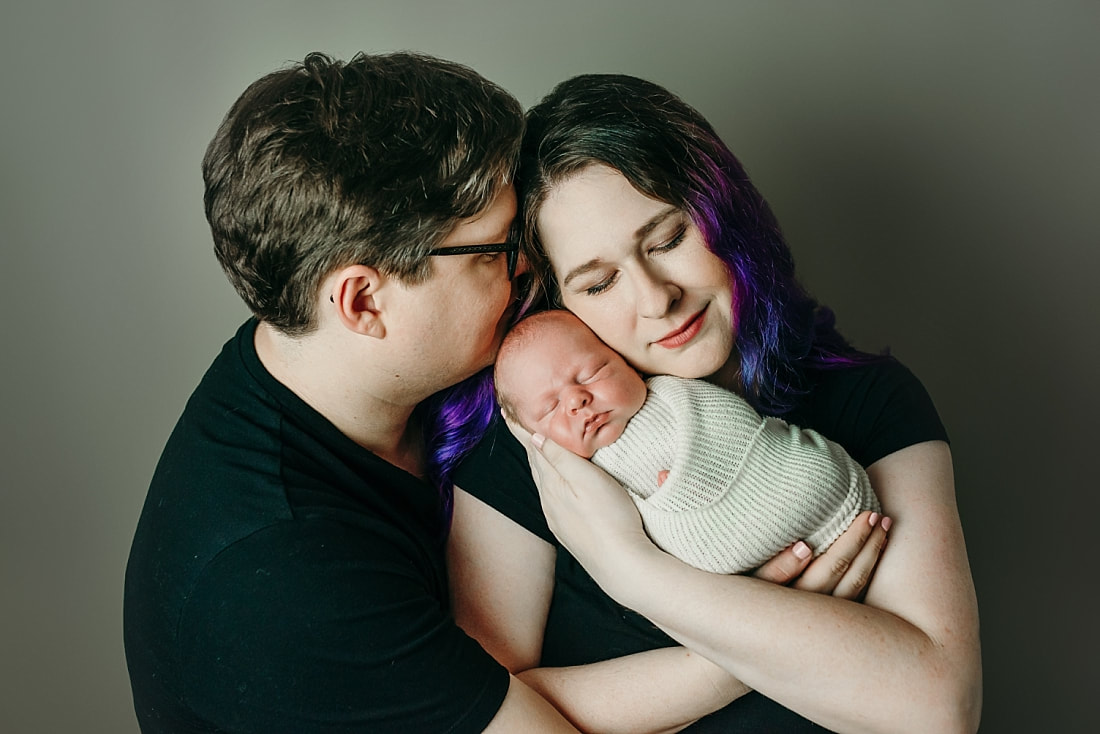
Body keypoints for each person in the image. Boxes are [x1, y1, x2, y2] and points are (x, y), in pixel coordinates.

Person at [449, 74, 982, 733]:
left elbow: (936, 708)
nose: (654, 298)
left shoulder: (870, 403)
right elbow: (482, 707)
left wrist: (637, 574)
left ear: (725, 212)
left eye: (668, 239)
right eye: (599, 281)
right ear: (561, 303)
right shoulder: (537, 444)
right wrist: (746, 652)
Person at [123, 51, 591, 733]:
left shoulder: (332, 370)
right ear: (363, 300)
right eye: (492, 250)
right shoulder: (283, 573)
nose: (524, 264)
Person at [494, 309, 881, 574]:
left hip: (797, 483)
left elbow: (733, 425)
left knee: (815, 479)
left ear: (627, 362)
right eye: (550, 409)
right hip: (726, 557)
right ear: (535, 437)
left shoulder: (674, 394)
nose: (577, 400)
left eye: (592, 372)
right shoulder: (578, 481)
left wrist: (700, 468)